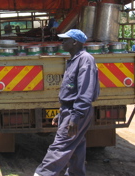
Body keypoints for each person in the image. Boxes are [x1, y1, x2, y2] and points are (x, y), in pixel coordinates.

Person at [34, 29, 100, 176]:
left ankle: (42, 174)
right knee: (76, 146)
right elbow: (70, 91)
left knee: (60, 146)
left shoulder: (85, 60)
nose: (62, 42)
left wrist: (75, 117)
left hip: (76, 112)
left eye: (65, 40)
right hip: (69, 110)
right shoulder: (74, 59)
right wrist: (61, 113)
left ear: (75, 42)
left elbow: (85, 92)